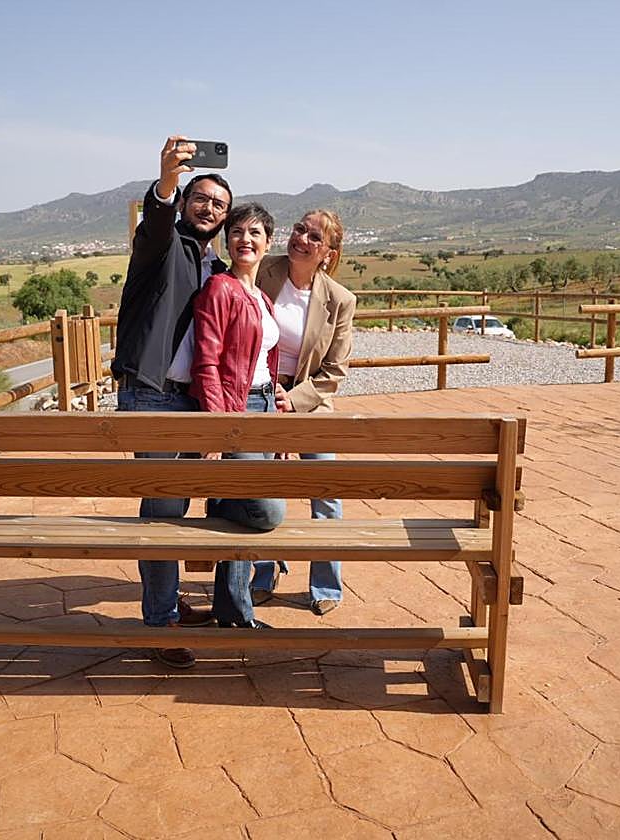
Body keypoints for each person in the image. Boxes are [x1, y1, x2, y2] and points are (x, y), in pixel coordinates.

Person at [110, 136, 232, 669]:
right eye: (200, 199)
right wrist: (165, 179)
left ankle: (165, 602)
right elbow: (155, 222)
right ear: (184, 203)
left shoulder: (216, 266)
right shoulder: (163, 244)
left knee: (174, 506)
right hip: (153, 394)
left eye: (219, 205)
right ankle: (160, 621)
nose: (208, 208)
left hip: (189, 400)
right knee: (162, 509)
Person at [252, 210, 357, 615]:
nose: (302, 239)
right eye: (299, 229)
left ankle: (327, 587)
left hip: (310, 400)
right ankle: (261, 574)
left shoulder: (340, 300)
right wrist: (268, 394)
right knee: (259, 489)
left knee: (324, 492)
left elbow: (334, 371)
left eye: (314, 237)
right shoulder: (264, 272)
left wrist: (293, 401)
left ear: (328, 253)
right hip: (258, 390)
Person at [189, 202, 286, 628]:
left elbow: (263, 357)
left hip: (265, 406)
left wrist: (277, 402)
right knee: (267, 512)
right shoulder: (220, 289)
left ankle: (233, 611)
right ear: (227, 241)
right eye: (237, 232)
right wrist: (219, 427)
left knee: (239, 510)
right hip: (237, 409)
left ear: (268, 242)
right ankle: (223, 504)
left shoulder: (261, 297)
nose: (245, 239)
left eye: (255, 233)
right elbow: (206, 361)